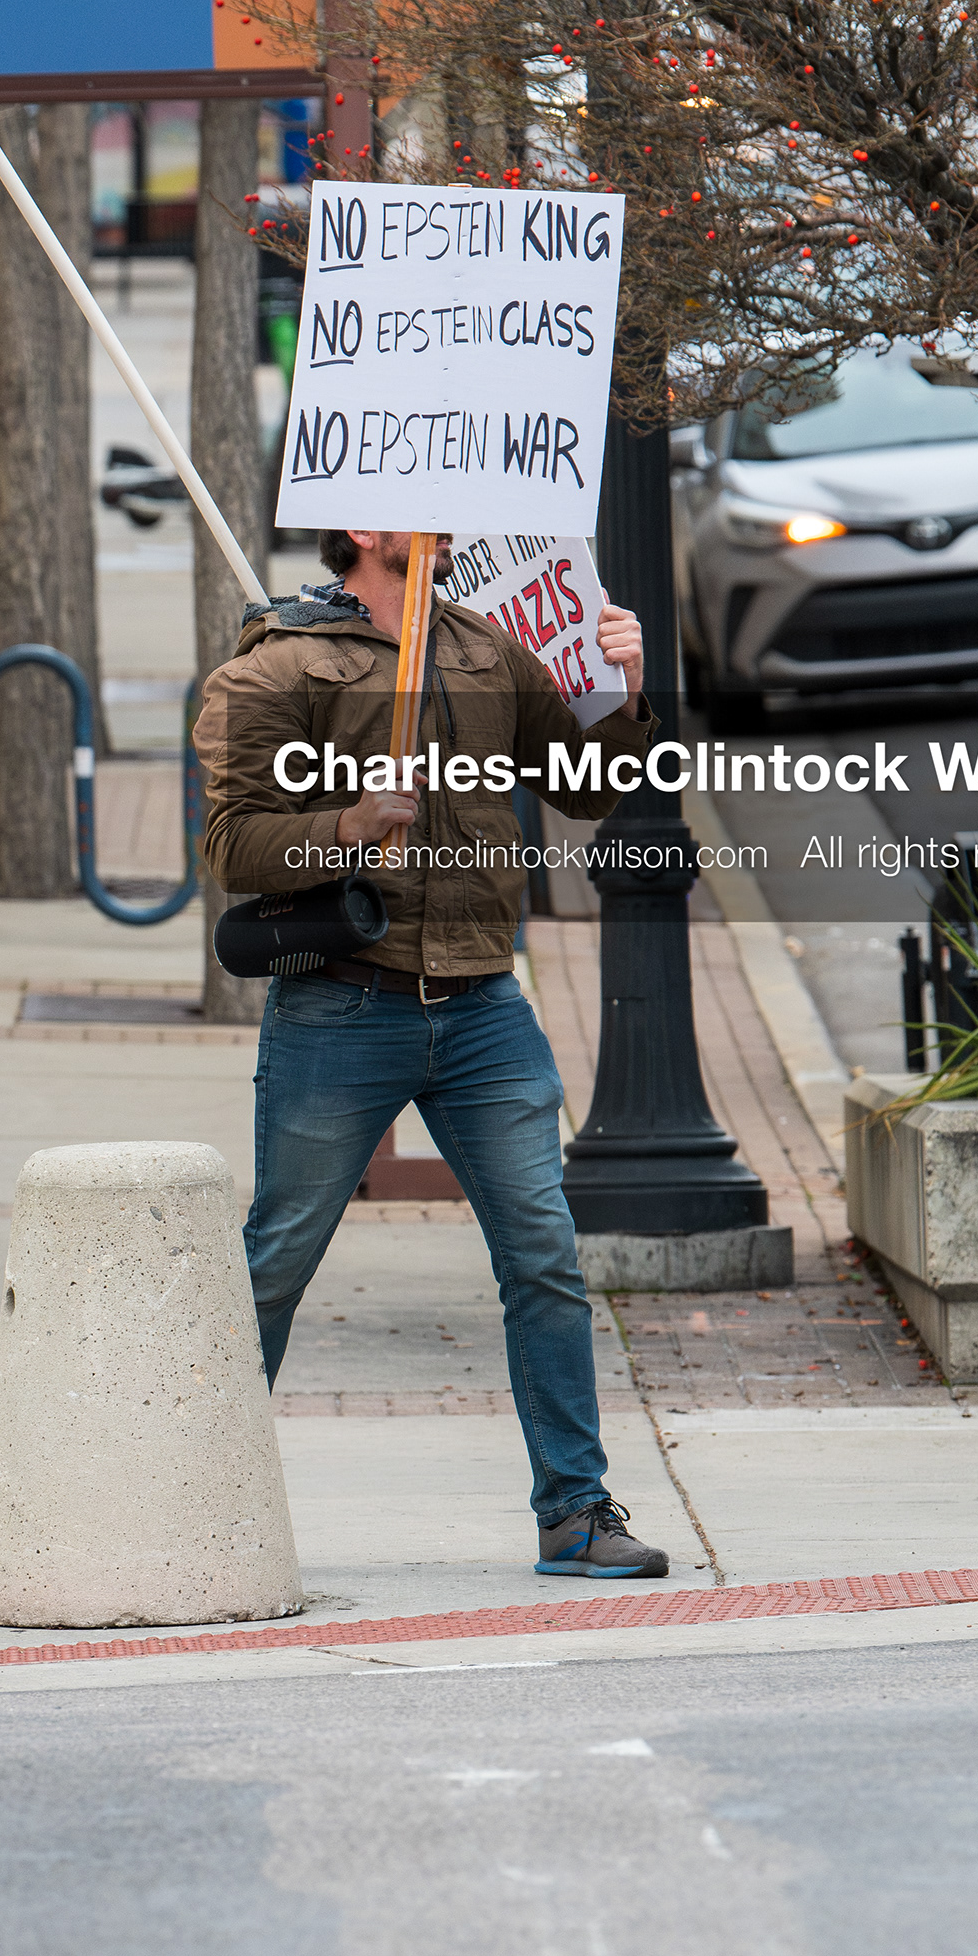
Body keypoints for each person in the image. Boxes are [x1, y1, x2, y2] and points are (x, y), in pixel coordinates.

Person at [193, 525, 670, 1579]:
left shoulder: (485, 649)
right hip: (341, 1011)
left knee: (543, 1258)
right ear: (367, 529)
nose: (451, 527)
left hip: (483, 1007)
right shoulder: (276, 666)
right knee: (274, 1263)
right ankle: (186, 1497)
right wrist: (352, 824)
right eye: (425, 509)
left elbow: (585, 787)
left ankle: (576, 1513)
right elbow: (232, 845)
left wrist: (626, 695)